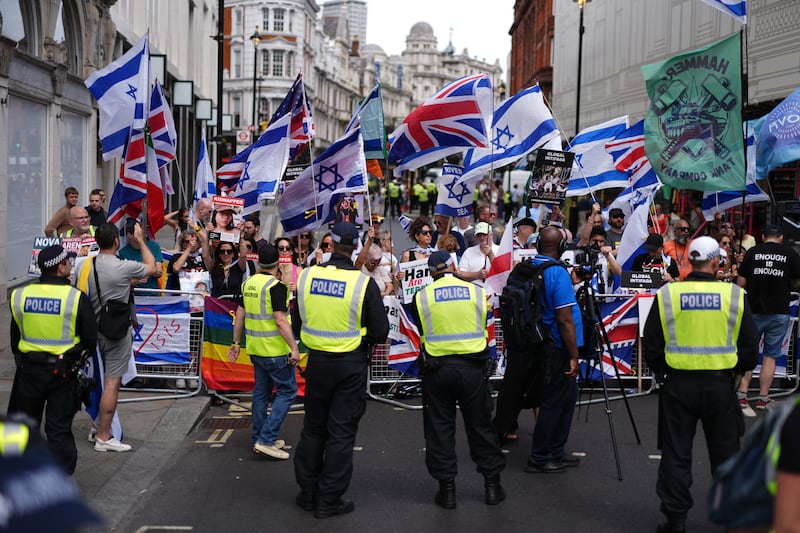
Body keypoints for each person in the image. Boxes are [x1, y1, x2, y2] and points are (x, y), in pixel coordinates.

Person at [642, 236, 758, 533]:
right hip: (720, 386)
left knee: (676, 454)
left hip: (678, 385)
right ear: (716, 261)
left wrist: (665, 370)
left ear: (690, 260)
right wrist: (734, 371)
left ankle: (676, 519)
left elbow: (652, 343)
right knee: (727, 455)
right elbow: (749, 350)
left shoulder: (668, 294)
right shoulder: (734, 296)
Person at [293, 221, 389, 519]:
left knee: (313, 427)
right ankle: (329, 499)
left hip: (318, 362)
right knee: (341, 432)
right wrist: (360, 339)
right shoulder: (362, 283)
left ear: (330, 243)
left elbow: (297, 323)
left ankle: (308, 493)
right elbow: (380, 329)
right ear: (357, 247)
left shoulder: (307, 276)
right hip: (350, 364)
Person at [410, 250, 506, 509]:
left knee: (440, 429)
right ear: (453, 266)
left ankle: (447, 491)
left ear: (431, 272)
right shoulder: (476, 292)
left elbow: (420, 328)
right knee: (481, 427)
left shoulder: (422, 296)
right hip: (473, 370)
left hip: (438, 369)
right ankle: (492, 487)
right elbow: (485, 321)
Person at [7, 244, 97, 474]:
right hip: (63, 373)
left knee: (22, 426)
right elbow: (89, 339)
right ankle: (59, 480)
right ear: (60, 267)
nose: (70, 263)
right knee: (58, 429)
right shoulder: (75, 298)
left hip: (28, 371)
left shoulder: (20, 295)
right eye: (68, 260)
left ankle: (18, 475)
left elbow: (16, 336)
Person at [80, 222, 160, 452]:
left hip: (92, 332)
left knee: (93, 381)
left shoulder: (86, 265)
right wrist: (141, 240)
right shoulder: (124, 267)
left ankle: (97, 427)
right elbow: (152, 266)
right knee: (111, 385)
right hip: (116, 333)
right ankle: (104, 436)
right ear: (117, 242)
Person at [228, 244, 300, 460]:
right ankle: (266, 439)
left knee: (260, 394)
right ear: (278, 263)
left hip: (256, 349)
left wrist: (235, 343)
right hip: (276, 351)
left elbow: (239, 315)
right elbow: (280, 320)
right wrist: (294, 347)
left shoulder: (248, 284)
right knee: (287, 392)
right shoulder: (277, 286)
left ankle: (259, 437)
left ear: (258, 262)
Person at [523, 226, 583, 474]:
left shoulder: (530, 266)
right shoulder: (556, 272)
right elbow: (565, 319)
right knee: (553, 402)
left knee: (567, 398)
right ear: (561, 248)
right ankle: (540, 456)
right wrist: (574, 356)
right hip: (556, 347)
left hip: (538, 342)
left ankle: (557, 450)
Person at [736, 225, 800, 415]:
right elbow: (798, 282)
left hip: (753, 311)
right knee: (771, 356)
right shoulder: (790, 253)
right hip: (779, 311)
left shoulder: (753, 252)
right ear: (780, 237)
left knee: (748, 353)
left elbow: (740, 283)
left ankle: (742, 394)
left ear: (763, 236)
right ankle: (763, 398)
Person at [118, 221, 164, 290]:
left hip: (152, 293)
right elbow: (122, 280)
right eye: (139, 233)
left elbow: (159, 272)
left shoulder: (154, 246)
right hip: (133, 294)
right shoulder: (123, 252)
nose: (144, 235)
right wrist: (136, 280)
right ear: (129, 235)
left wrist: (145, 268)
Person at [457, 222, 497, 287]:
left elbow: (503, 273)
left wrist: (490, 255)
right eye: (479, 235)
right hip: (474, 292)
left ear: (491, 235)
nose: (482, 238)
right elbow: (460, 274)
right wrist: (477, 275)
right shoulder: (469, 251)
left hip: (494, 294)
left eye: (485, 234)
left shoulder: (500, 249)